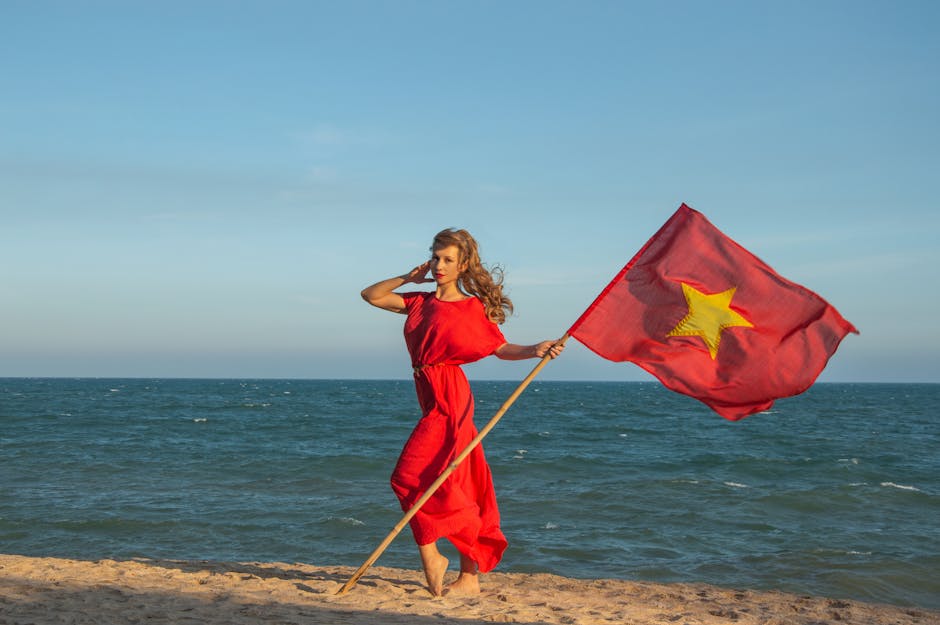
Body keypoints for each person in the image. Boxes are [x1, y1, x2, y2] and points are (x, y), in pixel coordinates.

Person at [361, 228, 564, 597]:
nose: (439, 265)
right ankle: (469, 576)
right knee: (459, 481)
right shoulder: (418, 302)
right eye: (436, 257)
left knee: (407, 476)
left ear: (464, 264)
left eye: (448, 260)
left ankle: (432, 556)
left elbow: (499, 348)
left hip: (450, 397)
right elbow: (370, 295)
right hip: (429, 392)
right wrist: (409, 277)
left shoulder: (472, 308)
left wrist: (535, 348)